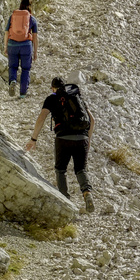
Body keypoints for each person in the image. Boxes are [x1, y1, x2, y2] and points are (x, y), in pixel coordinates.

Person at [25, 76, 93, 207]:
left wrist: (33, 139)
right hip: (82, 138)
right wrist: (88, 139)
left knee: (61, 170)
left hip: (63, 138)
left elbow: (42, 117)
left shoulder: (52, 98)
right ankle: (87, 192)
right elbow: (92, 120)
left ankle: (65, 200)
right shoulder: (77, 97)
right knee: (81, 169)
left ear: (53, 88)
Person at [3, 0, 38, 97]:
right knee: (25, 69)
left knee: (13, 66)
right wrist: (35, 52)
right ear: (30, 7)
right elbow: (35, 37)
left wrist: (6, 46)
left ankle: (13, 80)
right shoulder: (32, 18)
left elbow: (6, 32)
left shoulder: (13, 16)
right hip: (26, 46)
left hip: (12, 44)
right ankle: (22, 93)